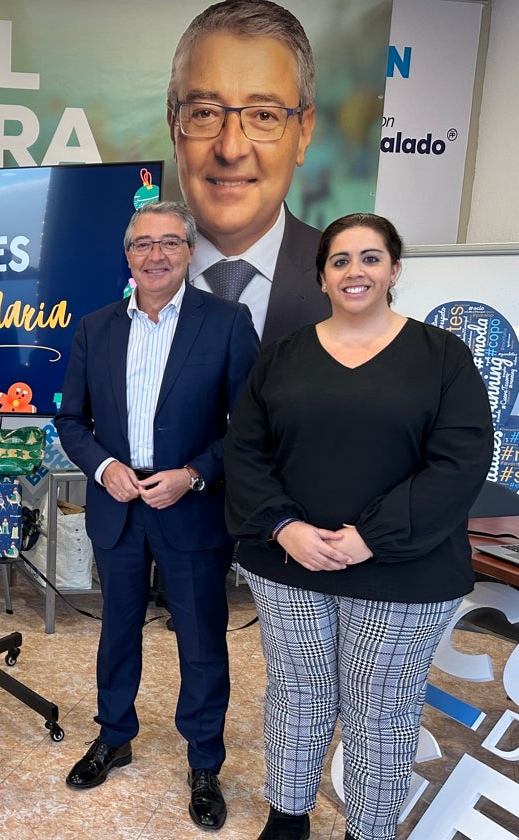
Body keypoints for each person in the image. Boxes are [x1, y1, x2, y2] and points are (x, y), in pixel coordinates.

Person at [224, 213, 493, 840]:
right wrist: (283, 526)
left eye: (370, 258)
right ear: (321, 276)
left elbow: (459, 463)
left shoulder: (442, 357)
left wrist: (370, 536)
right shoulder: (283, 357)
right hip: (291, 563)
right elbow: (246, 451)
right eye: (340, 260)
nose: (355, 272)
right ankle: (287, 819)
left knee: (381, 710)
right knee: (298, 696)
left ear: (394, 270)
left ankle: (367, 831)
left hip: (404, 570)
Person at [55, 201, 259, 830]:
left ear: (190, 252)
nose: (157, 254)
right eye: (144, 244)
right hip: (117, 507)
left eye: (170, 243)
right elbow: (71, 420)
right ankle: (114, 736)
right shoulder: (95, 327)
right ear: (128, 255)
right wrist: (102, 467)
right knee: (116, 631)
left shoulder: (227, 322)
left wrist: (195, 474)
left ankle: (204, 762)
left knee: (200, 642)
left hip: (190, 506)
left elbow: (251, 426)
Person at [168, 0, 330, 343]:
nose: (231, 148)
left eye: (264, 116)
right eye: (204, 113)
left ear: (303, 133)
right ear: (173, 126)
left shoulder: (354, 287)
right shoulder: (102, 281)